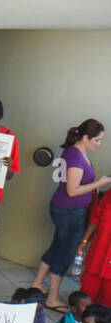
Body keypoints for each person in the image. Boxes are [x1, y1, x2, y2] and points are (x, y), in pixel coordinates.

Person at [33, 120, 111, 311]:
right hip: (69, 211)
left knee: (57, 245)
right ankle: (52, 298)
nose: (99, 144)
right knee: (65, 253)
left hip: (66, 209)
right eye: (97, 140)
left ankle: (37, 284)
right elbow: (72, 190)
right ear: (86, 138)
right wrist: (99, 183)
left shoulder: (77, 152)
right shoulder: (75, 156)